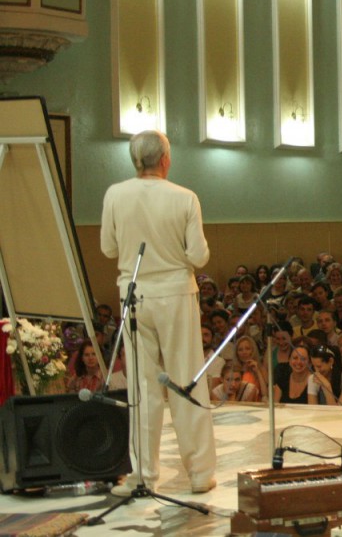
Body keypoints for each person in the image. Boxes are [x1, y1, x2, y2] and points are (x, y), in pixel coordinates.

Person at [100, 130, 216, 496]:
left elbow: (108, 248)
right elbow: (198, 256)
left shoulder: (115, 194)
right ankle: (199, 473)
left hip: (134, 293)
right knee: (186, 379)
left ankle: (143, 474)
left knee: (142, 385)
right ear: (165, 159)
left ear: (135, 160)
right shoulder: (185, 197)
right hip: (176, 294)